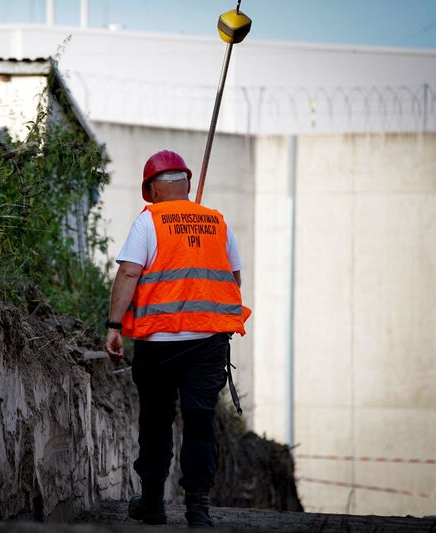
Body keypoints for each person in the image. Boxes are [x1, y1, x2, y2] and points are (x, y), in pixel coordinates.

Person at [104, 149, 250, 528]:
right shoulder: (217, 222)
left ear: (151, 189)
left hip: (159, 342)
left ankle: (153, 502)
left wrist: (114, 326)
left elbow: (129, 274)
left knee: (156, 420)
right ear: (186, 184)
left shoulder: (148, 221)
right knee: (200, 420)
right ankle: (198, 509)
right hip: (208, 341)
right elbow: (233, 279)